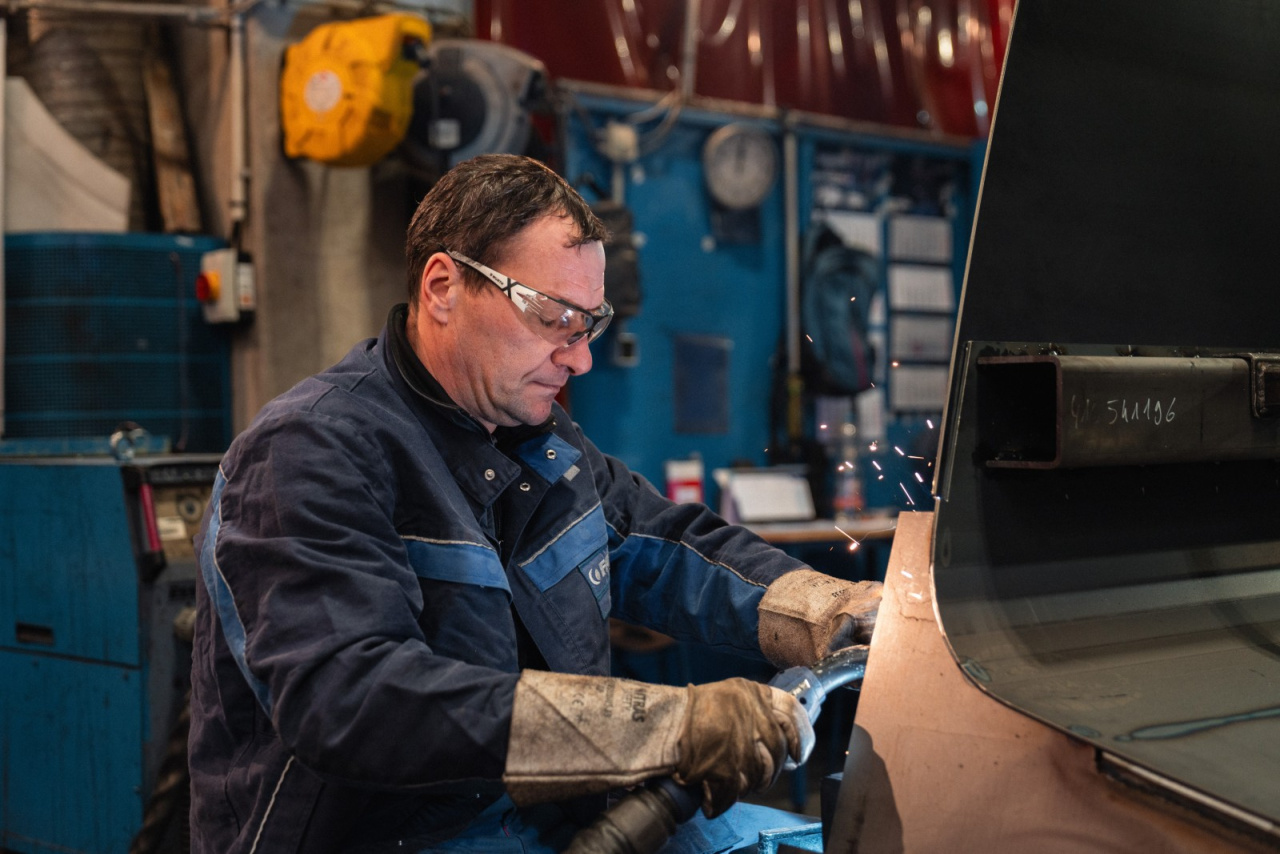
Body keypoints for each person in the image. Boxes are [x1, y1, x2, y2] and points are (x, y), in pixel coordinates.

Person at [190, 153, 882, 854]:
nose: (579, 358)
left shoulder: (543, 443)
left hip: (557, 819)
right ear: (443, 287)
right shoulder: (309, 451)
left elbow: (668, 548)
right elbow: (356, 700)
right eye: (555, 318)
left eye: (589, 325)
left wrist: (828, 611)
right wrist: (666, 727)